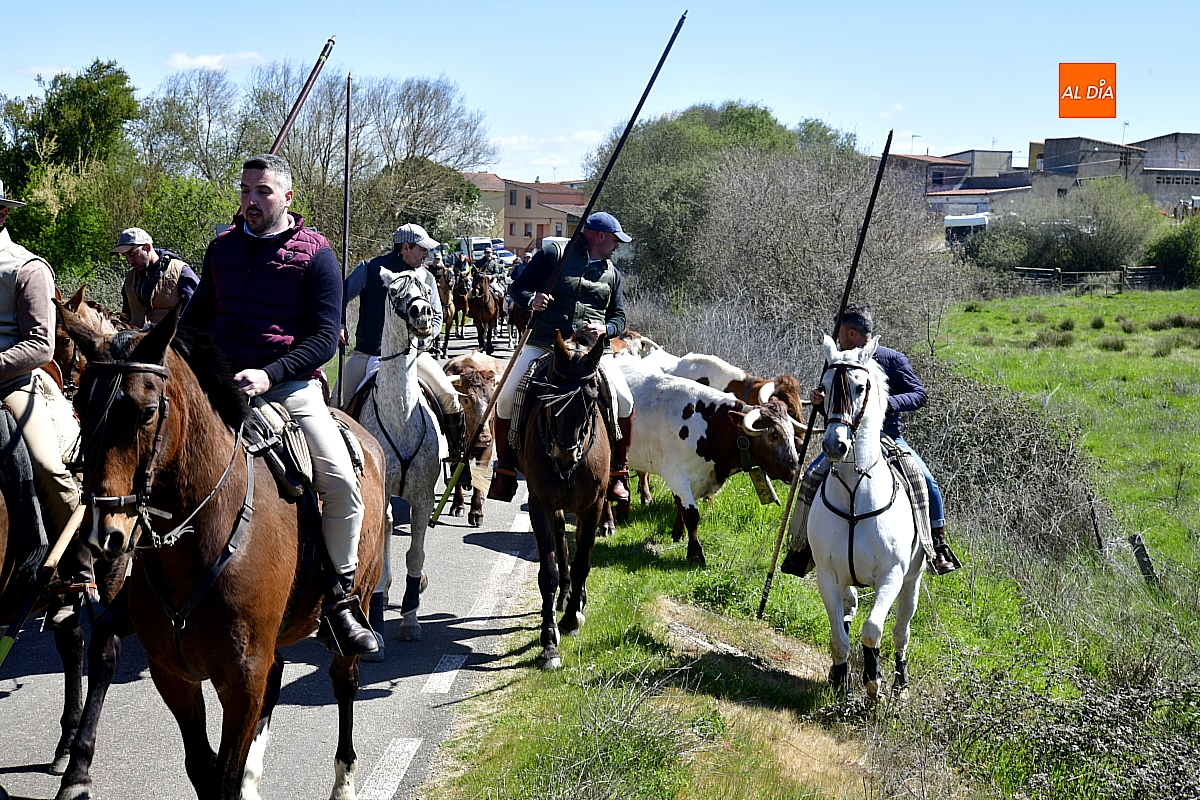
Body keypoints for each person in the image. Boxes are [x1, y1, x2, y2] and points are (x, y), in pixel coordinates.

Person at [181, 154, 377, 654]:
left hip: (289, 387)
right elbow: (198, 319)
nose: (250, 200)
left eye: (262, 191)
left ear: (288, 197)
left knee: (339, 481)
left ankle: (339, 600)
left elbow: (322, 338)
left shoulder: (317, 256)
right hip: (217, 382)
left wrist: (270, 373)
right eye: (245, 190)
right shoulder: (221, 250)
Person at [781, 305, 958, 576]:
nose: (838, 337)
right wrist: (820, 400)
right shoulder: (836, 360)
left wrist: (884, 403)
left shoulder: (892, 359)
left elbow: (919, 394)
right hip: (847, 436)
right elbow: (835, 401)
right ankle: (802, 548)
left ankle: (936, 545)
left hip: (888, 437)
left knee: (926, 481)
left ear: (851, 333)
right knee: (811, 478)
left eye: (840, 332)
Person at [488, 212, 635, 503]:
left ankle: (619, 471)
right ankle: (504, 470)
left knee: (625, 400)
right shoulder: (553, 255)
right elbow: (518, 288)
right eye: (615, 240)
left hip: (591, 351)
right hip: (545, 343)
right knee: (506, 399)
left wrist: (606, 328)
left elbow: (619, 316)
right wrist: (532, 300)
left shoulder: (612, 274)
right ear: (600, 236)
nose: (617, 246)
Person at [0, 178, 89, 627]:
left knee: (47, 466)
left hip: (10, 385)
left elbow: (40, 346)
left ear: (1, 213)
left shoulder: (27, 268)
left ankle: (75, 571)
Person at [341, 224, 467, 467]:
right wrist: (339, 324)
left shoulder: (427, 276)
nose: (426, 255)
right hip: (368, 353)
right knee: (337, 403)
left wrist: (424, 341)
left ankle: (457, 459)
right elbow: (340, 296)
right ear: (405, 247)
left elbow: (438, 318)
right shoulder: (369, 269)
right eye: (422, 249)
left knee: (450, 396)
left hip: (413, 355)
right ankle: (343, 463)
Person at [111, 227, 199, 327]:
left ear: (147, 247)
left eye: (132, 254)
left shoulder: (180, 271)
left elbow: (199, 311)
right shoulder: (130, 278)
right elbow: (126, 316)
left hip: (173, 341)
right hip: (136, 341)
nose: (129, 261)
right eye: (125, 256)